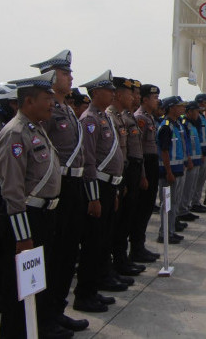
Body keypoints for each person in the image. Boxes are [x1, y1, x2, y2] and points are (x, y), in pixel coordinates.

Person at [0, 71, 74, 339]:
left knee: (38, 281)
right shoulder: (15, 133)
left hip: (45, 216)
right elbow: (12, 190)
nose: (51, 104)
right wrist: (23, 237)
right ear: (28, 101)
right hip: (27, 219)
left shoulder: (36, 127)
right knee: (17, 289)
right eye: (46, 99)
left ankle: (36, 328)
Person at [31, 50, 90, 333]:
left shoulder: (65, 108)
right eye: (66, 73)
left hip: (75, 184)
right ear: (50, 77)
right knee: (54, 256)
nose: (71, 78)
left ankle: (57, 310)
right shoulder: (49, 111)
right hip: (59, 187)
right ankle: (46, 318)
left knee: (68, 252)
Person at [73, 70, 126, 313]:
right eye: (109, 90)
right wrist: (94, 196)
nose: (113, 94)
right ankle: (84, 294)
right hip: (98, 187)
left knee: (103, 240)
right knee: (93, 242)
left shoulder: (103, 118)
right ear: (95, 93)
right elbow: (89, 161)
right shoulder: (90, 120)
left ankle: (95, 287)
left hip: (109, 186)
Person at [109, 77, 146, 277]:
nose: (134, 97)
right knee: (117, 222)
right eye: (131, 93)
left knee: (127, 219)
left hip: (129, 170)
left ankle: (122, 260)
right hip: (118, 175)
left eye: (136, 94)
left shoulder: (124, 117)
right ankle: (116, 263)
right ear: (118, 94)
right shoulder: (111, 117)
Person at [131, 84, 161, 262]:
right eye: (154, 97)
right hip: (145, 165)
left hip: (151, 163)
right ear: (144, 99)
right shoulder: (140, 118)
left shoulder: (149, 117)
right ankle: (136, 248)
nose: (156, 100)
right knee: (141, 209)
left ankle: (140, 246)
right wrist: (142, 175)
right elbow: (138, 150)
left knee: (148, 207)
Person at [156, 96, 187, 244]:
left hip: (178, 169)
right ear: (172, 108)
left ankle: (171, 231)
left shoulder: (176, 125)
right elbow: (164, 151)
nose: (183, 108)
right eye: (180, 106)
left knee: (174, 203)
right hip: (169, 172)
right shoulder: (166, 126)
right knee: (167, 204)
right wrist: (168, 171)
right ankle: (164, 233)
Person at [178, 102, 202, 223]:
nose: (198, 113)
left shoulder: (192, 124)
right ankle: (182, 210)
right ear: (189, 112)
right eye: (196, 111)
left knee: (191, 186)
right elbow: (185, 144)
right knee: (186, 187)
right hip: (190, 161)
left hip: (196, 159)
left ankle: (186, 208)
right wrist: (188, 159)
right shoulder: (185, 124)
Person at [190, 94, 206, 214]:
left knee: (201, 180)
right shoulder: (196, 119)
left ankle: (196, 201)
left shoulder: (203, 117)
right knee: (196, 181)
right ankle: (193, 203)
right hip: (200, 153)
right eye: (205, 103)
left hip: (205, 152)